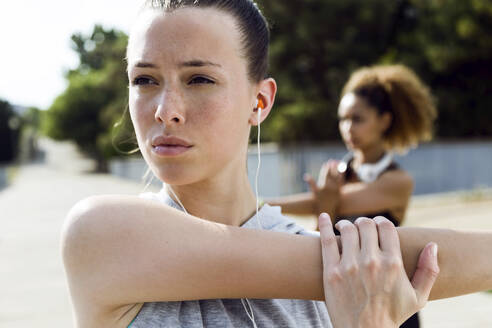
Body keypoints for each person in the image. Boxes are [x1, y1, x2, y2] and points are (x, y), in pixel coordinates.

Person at [61, 1, 492, 328]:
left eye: (200, 79)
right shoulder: (102, 233)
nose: (165, 110)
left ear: (260, 101)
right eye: (145, 80)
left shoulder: (334, 269)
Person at [267, 64, 437, 327]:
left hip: (390, 301)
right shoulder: (338, 174)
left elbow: (328, 202)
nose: (347, 128)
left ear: (384, 121)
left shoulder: (397, 181)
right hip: (343, 301)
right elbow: (325, 204)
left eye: (357, 119)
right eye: (342, 119)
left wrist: (258, 205)